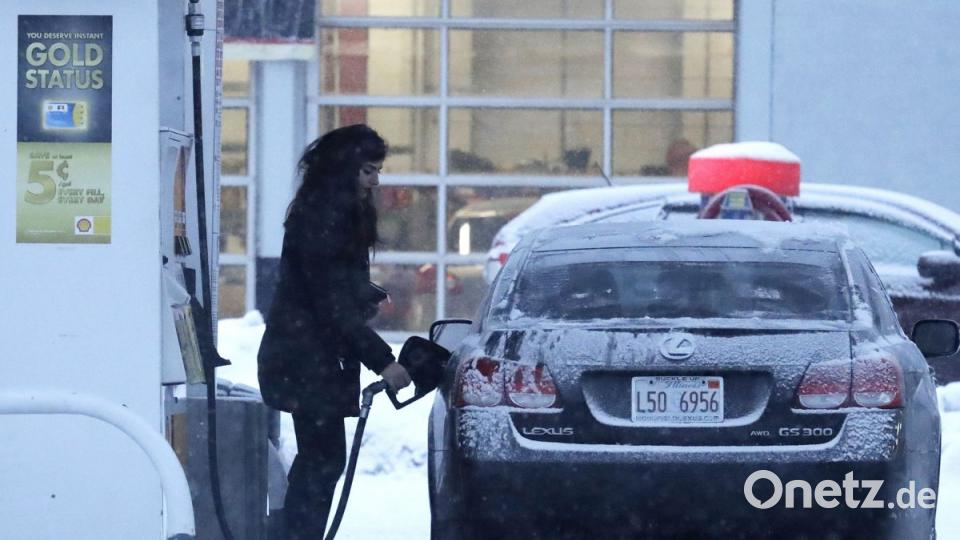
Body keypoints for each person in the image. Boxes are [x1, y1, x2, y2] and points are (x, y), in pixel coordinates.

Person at [257, 124, 412, 540]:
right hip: (307, 358)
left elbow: (329, 290)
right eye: (367, 170)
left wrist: (361, 296)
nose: (376, 180)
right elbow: (330, 302)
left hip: (308, 356)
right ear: (344, 170)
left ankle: (295, 535)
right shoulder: (327, 219)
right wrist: (384, 361)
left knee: (319, 459)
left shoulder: (326, 215)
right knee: (322, 460)